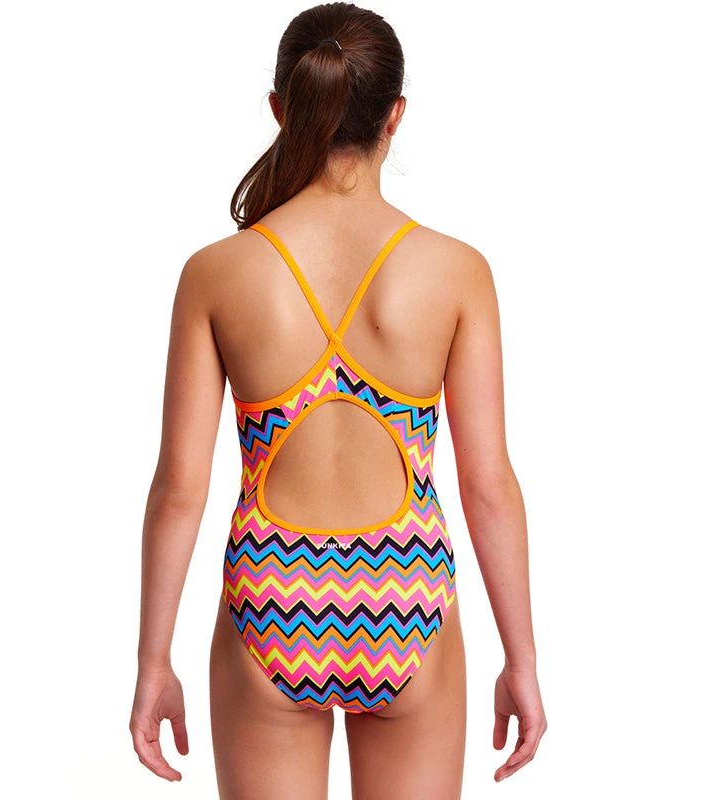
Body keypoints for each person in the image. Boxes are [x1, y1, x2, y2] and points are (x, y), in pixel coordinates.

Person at [129, 2, 546, 797]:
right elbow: (488, 483)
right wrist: (521, 659)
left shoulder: (216, 274)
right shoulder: (456, 272)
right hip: (407, 598)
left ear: (283, 108)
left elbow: (179, 488)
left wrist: (153, 661)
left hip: (270, 599)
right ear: (395, 115)